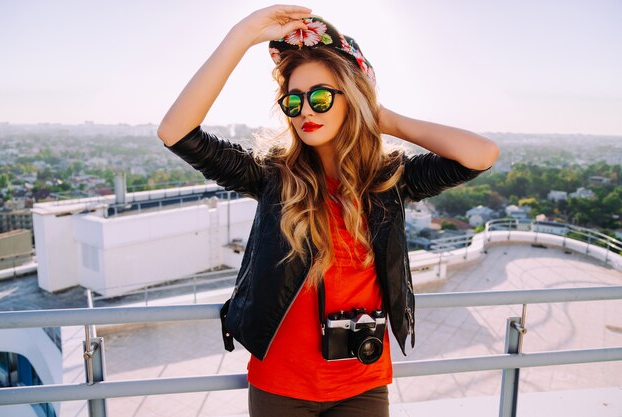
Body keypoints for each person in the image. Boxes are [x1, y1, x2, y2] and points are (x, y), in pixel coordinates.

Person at [157, 5, 499, 417]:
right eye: (293, 100)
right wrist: (242, 35)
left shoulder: (388, 180)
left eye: (320, 97)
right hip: (280, 385)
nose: (305, 110)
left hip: (362, 382)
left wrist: (383, 118)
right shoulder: (272, 176)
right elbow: (175, 132)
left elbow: (481, 154)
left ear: (351, 99)